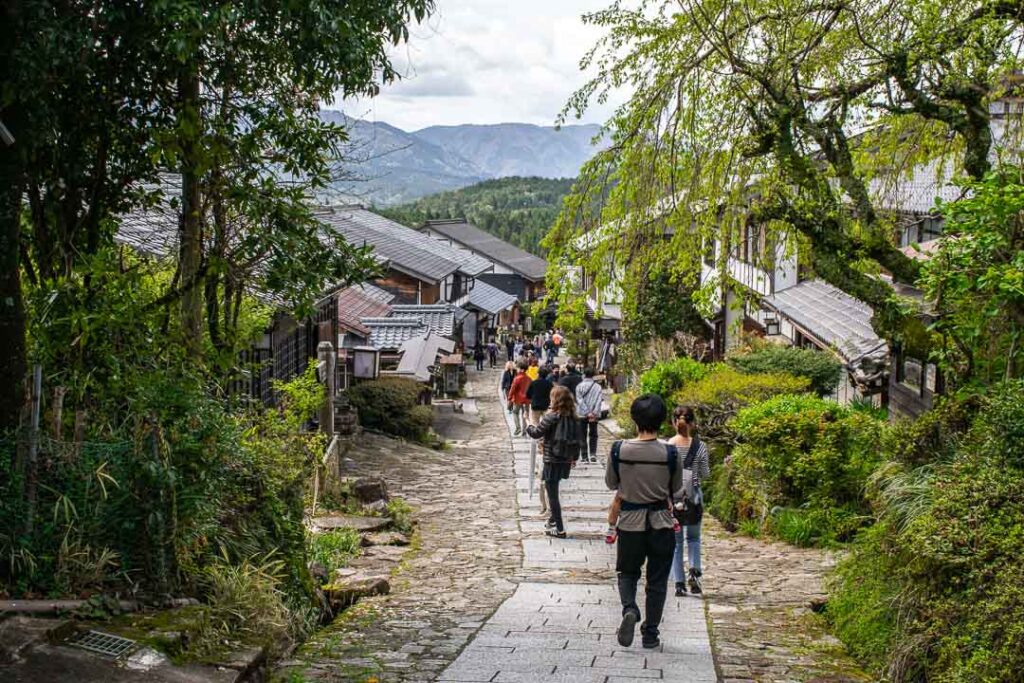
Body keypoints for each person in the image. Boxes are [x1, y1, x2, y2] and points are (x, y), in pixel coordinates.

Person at [606, 394, 681, 650]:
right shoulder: (670, 453)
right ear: (662, 421)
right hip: (661, 523)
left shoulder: (619, 450)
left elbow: (611, 483)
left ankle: (630, 609)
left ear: (634, 419)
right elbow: (677, 488)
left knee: (627, 572)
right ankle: (650, 633)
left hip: (629, 522)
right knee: (657, 581)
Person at [527, 385, 582, 538]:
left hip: (551, 459)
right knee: (554, 490)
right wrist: (574, 458)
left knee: (552, 495)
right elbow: (579, 439)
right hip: (566, 459)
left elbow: (536, 433)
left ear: (555, 399)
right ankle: (552, 521)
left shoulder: (551, 416)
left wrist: (529, 425)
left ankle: (560, 529)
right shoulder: (573, 417)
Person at [668, 405, 711, 596]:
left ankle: (678, 583)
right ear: (693, 423)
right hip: (694, 496)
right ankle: (694, 571)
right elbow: (705, 474)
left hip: (674, 497)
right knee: (693, 538)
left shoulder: (668, 446)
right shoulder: (700, 446)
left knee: (676, 543)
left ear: (673, 422)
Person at [575, 367, 603, 463]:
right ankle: (593, 454)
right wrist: (593, 413)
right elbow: (599, 401)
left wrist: (587, 412)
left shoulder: (579, 386)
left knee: (582, 435)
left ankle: (584, 456)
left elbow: (579, 400)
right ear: (593, 375)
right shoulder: (598, 387)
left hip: (582, 414)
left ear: (584, 374)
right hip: (594, 415)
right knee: (593, 435)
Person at [507, 361, 532, 436]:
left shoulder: (517, 378)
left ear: (522, 369)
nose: (517, 369)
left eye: (518, 368)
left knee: (515, 413)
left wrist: (509, 398)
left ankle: (518, 428)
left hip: (518, 399)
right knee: (525, 415)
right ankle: (524, 431)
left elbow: (512, 389)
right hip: (527, 400)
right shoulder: (529, 379)